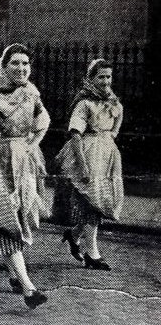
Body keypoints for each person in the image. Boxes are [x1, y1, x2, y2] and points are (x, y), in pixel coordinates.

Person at [0, 43, 49, 309]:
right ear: (4, 67)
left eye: (26, 63)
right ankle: (28, 288)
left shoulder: (31, 92)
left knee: (4, 222)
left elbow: (43, 121)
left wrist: (32, 144)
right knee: (3, 218)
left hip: (21, 160)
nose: (22, 68)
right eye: (15, 63)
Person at [54, 59, 124, 270]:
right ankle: (92, 253)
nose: (105, 81)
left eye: (108, 77)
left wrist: (109, 137)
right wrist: (83, 166)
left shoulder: (114, 102)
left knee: (102, 201)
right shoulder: (85, 103)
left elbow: (116, 123)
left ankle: (74, 234)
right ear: (91, 78)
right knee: (91, 203)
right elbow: (75, 134)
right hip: (88, 154)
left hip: (107, 155)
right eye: (100, 77)